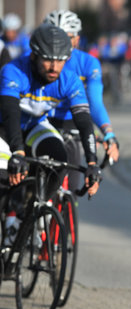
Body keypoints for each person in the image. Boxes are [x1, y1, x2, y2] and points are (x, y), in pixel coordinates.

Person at [0, 24, 102, 246]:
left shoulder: (69, 79)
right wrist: (17, 152)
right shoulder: (14, 70)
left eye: (61, 60)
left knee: (60, 159)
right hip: (4, 128)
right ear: (34, 55)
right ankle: (7, 218)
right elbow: (10, 114)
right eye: (47, 59)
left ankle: (33, 212)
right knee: (3, 174)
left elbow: (84, 122)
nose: (54, 67)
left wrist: (92, 162)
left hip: (35, 125)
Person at [42, 10, 120, 192]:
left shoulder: (88, 63)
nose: (59, 43)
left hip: (72, 121)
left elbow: (95, 103)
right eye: (54, 37)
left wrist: (108, 133)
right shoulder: (39, 61)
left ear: (77, 39)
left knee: (73, 185)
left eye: (67, 37)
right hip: (42, 120)